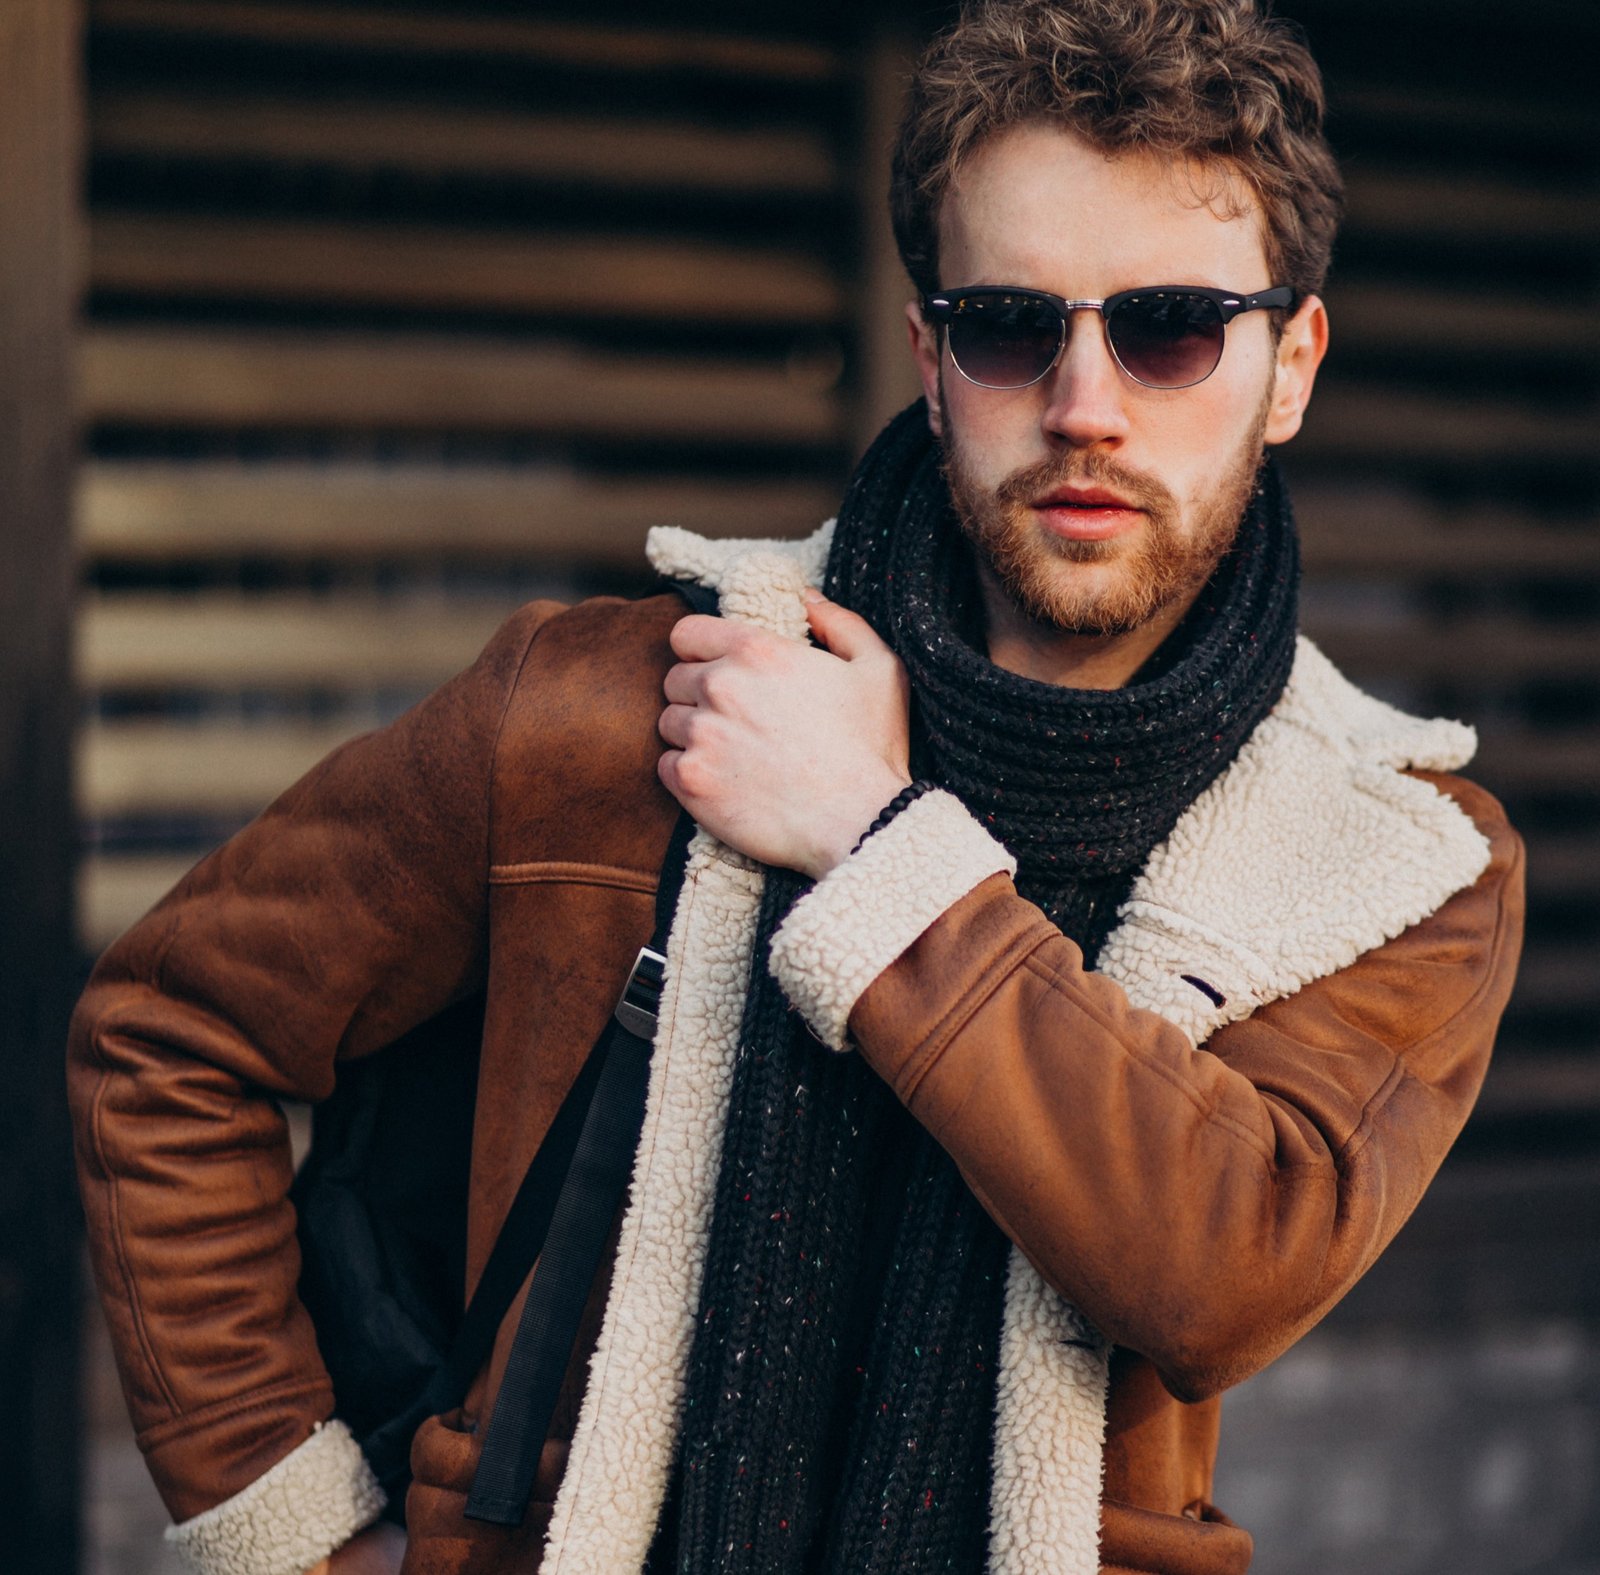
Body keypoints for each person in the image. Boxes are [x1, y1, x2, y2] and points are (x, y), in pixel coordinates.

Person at [67, 2, 1525, 1573]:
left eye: (1172, 327)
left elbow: (1214, 1273)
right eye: (1010, 327)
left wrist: (873, 847)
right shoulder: (607, 707)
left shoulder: (1390, 853)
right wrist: (290, 1534)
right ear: (929, 352)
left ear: (1290, 362)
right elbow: (172, 1028)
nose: (1086, 404)